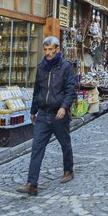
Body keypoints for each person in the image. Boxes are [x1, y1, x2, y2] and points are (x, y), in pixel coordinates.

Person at [17, 36, 77, 196]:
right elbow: (37, 90)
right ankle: (32, 183)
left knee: (65, 143)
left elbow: (71, 89)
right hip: (43, 113)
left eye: (51, 50)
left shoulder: (66, 67)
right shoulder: (41, 68)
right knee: (37, 147)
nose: (48, 53)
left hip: (59, 113)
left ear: (57, 49)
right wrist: (32, 110)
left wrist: (64, 107)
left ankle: (68, 170)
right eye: (46, 50)